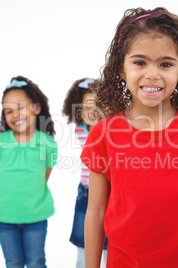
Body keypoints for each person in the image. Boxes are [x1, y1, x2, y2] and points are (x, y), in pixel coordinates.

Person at [81, 7, 178, 268]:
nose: (152, 74)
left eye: (166, 64)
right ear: (121, 69)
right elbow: (95, 213)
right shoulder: (103, 134)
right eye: (140, 62)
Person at [0, 76, 58, 268]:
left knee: (36, 261)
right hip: (4, 216)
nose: (15, 114)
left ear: (37, 108)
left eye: (21, 107)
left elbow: (44, 177)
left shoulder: (48, 143)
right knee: (13, 262)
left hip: (36, 216)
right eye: (9, 111)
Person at [62, 78, 107, 268]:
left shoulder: (112, 130)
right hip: (86, 193)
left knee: (109, 249)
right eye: (87, 106)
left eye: (99, 105)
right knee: (84, 246)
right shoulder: (80, 130)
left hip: (110, 194)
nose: (93, 111)